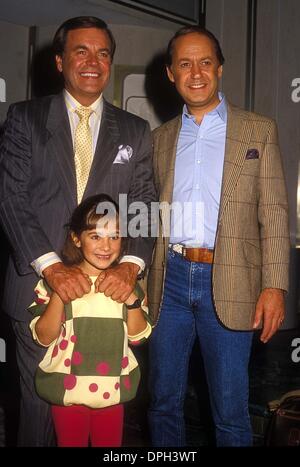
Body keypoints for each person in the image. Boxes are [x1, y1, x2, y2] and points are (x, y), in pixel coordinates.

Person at [0, 16, 156, 446]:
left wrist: (130, 266)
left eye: (103, 53)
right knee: (39, 412)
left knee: (103, 415)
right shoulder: (24, 119)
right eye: (81, 51)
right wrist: (52, 269)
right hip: (38, 290)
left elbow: (144, 208)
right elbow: (10, 200)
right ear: (59, 61)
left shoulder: (135, 130)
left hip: (107, 300)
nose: (93, 61)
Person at [147, 26, 290, 447]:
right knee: (162, 402)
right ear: (171, 74)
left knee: (229, 411)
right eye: (185, 64)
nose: (196, 72)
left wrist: (275, 286)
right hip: (169, 281)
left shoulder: (259, 129)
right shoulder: (159, 140)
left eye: (205, 62)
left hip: (232, 282)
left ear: (220, 69)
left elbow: (275, 213)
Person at [28, 194, 152, 447]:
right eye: (95, 236)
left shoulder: (128, 285)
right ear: (76, 238)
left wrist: (131, 300)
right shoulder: (57, 283)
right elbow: (43, 336)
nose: (106, 247)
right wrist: (59, 295)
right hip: (68, 391)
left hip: (112, 392)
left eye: (114, 236)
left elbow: (139, 337)